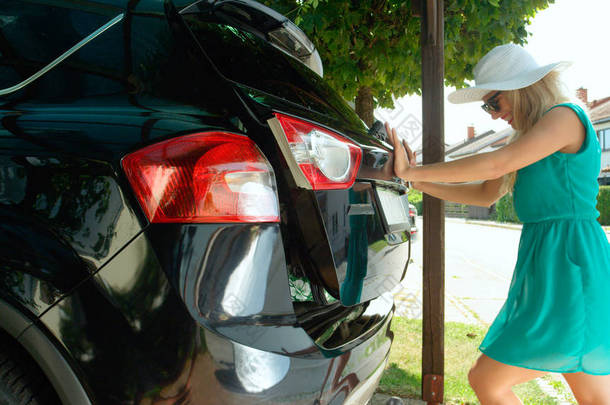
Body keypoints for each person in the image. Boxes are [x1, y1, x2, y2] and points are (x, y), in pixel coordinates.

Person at [386, 43, 610, 404]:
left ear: (522, 89)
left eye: (494, 102)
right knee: (593, 396)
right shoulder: (528, 136)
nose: (492, 115)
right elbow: (485, 194)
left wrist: (414, 169)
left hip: (572, 261)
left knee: (487, 380)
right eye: (486, 106)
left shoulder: (565, 117)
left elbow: (494, 164)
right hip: (550, 261)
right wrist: (413, 180)